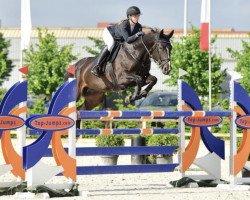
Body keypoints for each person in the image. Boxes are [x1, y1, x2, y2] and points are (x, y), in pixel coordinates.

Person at [91, 6, 145, 77]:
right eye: (135, 16)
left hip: (120, 39)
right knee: (111, 45)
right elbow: (128, 40)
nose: (137, 17)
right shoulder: (124, 24)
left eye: (138, 15)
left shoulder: (138, 26)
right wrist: (137, 35)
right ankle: (96, 66)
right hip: (109, 33)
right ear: (129, 17)